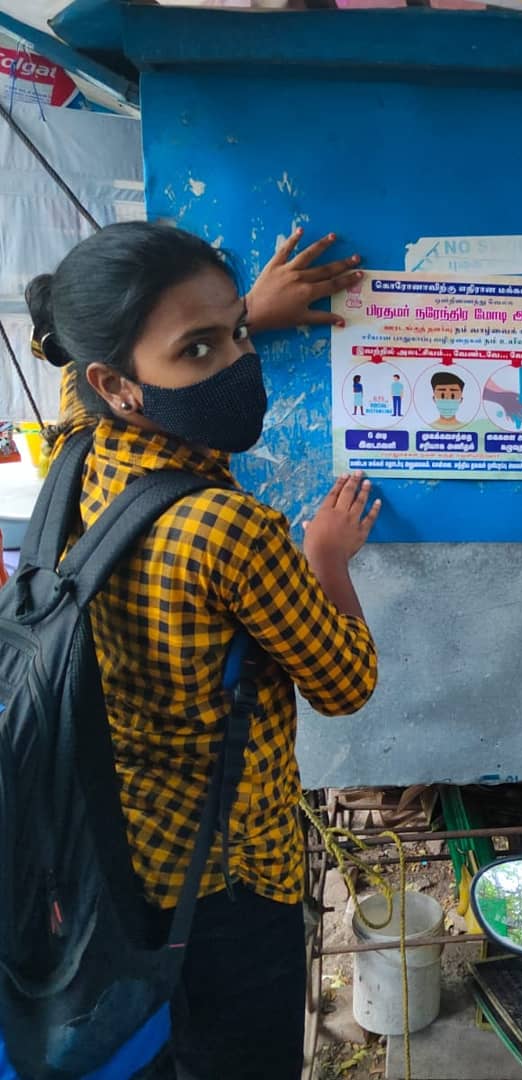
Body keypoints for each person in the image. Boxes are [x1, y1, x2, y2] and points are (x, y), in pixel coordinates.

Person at [27, 222, 380, 1080]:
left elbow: (78, 368)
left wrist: (238, 313)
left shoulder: (75, 455)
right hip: (228, 882)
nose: (234, 362)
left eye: (237, 336)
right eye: (199, 348)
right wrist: (327, 557)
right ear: (120, 382)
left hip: (109, 855)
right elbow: (345, 683)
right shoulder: (231, 530)